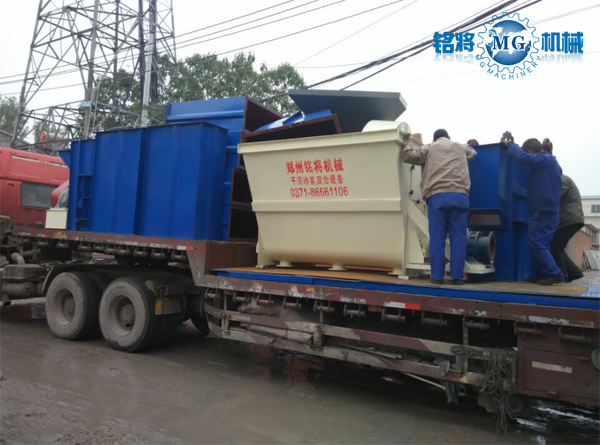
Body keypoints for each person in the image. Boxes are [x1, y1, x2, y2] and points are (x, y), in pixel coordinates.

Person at [403, 129, 477, 285]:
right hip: (460, 197)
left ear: (434, 139)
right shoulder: (460, 147)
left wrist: (409, 142)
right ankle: (457, 278)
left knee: (437, 238)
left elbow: (408, 156)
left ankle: (437, 278)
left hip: (438, 197)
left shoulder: (429, 147)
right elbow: (473, 153)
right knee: (458, 239)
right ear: (448, 137)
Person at [501, 132, 564, 285]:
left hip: (543, 210)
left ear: (530, 152)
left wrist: (510, 145)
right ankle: (544, 273)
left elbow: (524, 158)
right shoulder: (549, 162)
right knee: (543, 244)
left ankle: (554, 273)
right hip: (548, 210)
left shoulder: (546, 160)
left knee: (536, 243)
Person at [543, 138, 585, 282]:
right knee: (557, 246)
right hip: (570, 219)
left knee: (555, 246)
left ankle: (562, 276)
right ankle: (574, 273)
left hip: (569, 219)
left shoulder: (562, 180)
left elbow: (554, 196)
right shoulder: (562, 179)